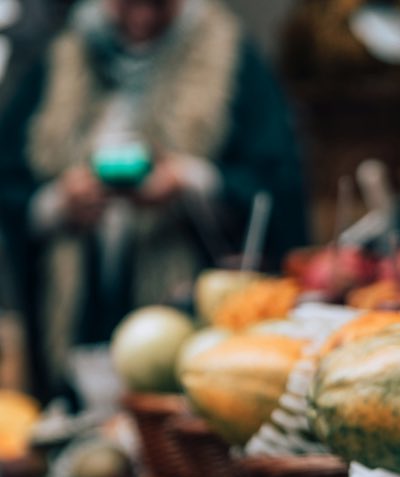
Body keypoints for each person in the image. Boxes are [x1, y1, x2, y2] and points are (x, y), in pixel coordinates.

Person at [0, 0, 309, 401]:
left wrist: (191, 180)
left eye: (159, 6)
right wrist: (59, 202)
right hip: (78, 299)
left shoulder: (228, 57)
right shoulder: (61, 58)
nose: (142, 18)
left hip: (183, 294)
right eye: (127, 5)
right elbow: (11, 179)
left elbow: (275, 180)